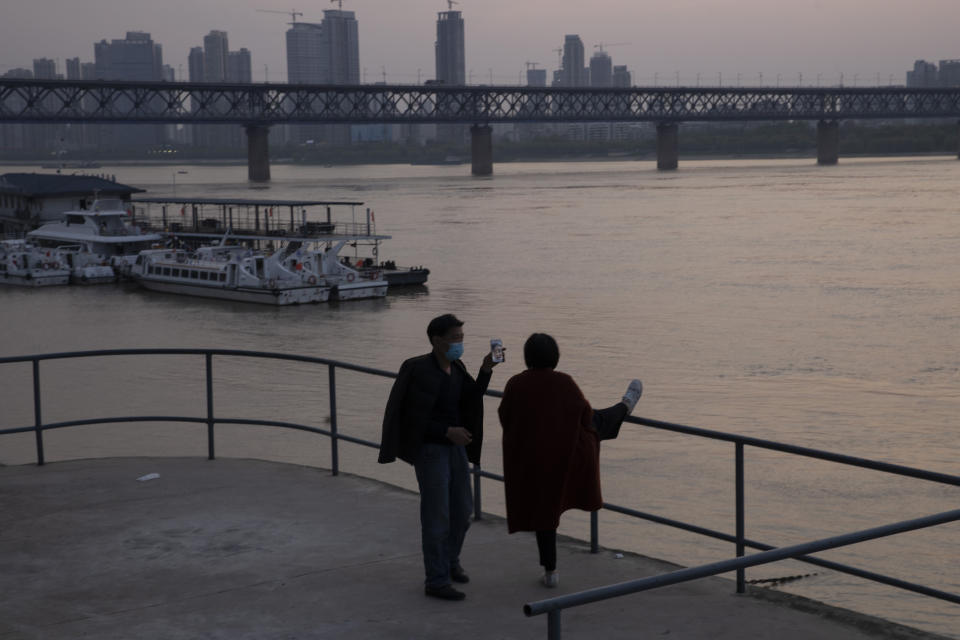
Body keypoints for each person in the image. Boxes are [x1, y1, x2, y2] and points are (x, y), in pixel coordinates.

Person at [497, 332, 643, 588]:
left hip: (530, 458)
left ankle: (550, 571)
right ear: (555, 357)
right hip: (562, 455)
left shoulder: (514, 383)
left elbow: (505, 417)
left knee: (544, 513)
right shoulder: (564, 382)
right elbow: (584, 414)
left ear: (527, 357)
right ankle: (625, 406)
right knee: (597, 423)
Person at [379, 314, 500, 601]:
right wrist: (446, 431)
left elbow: (471, 398)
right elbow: (409, 418)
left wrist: (486, 369)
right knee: (437, 516)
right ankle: (436, 579)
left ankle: (449, 561)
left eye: (461, 337)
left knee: (463, 511)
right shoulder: (417, 369)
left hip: (455, 448)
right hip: (431, 450)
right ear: (437, 340)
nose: (460, 343)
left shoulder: (456, 367)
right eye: (455, 338)